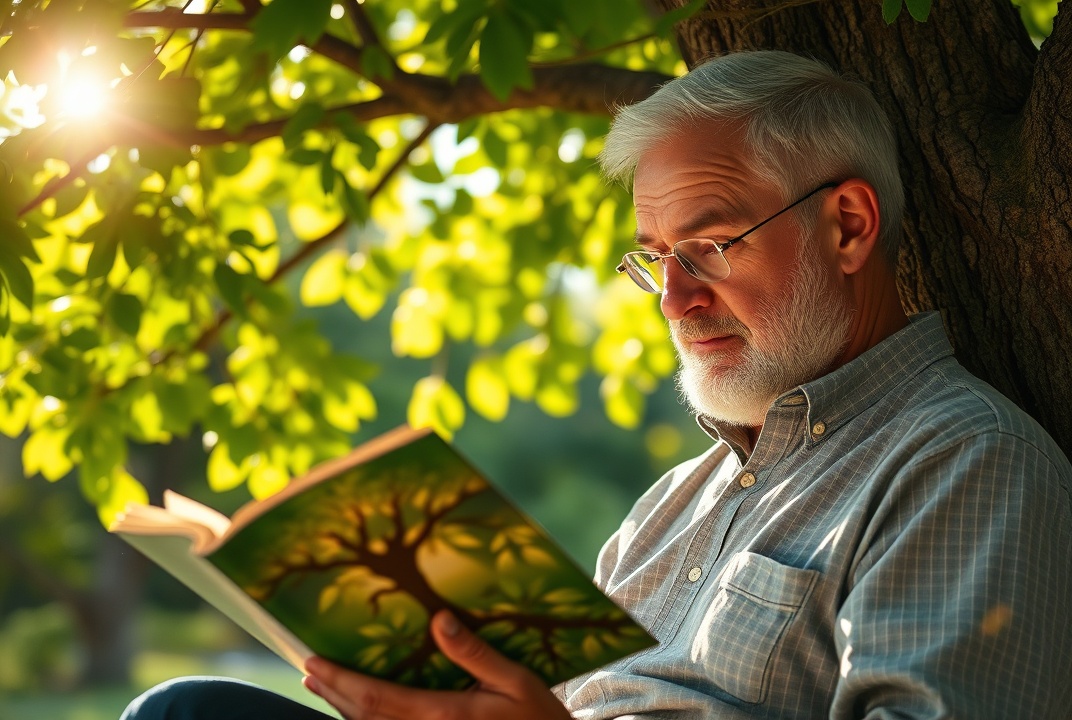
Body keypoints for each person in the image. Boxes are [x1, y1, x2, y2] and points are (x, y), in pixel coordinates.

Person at [121, 50, 1072, 720]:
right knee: (191, 708)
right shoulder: (672, 506)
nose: (674, 300)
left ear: (850, 227)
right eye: (653, 260)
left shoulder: (963, 461)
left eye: (707, 246)